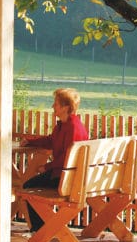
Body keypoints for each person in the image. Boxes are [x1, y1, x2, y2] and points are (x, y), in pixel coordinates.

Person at [21, 88, 89, 232]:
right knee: (30, 185)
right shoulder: (64, 125)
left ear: (65, 107)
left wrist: (46, 167)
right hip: (64, 174)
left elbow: (68, 158)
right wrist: (30, 141)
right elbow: (51, 141)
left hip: (67, 179)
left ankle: (40, 229)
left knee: (28, 187)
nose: (53, 106)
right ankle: (42, 228)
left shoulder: (72, 128)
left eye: (56, 104)